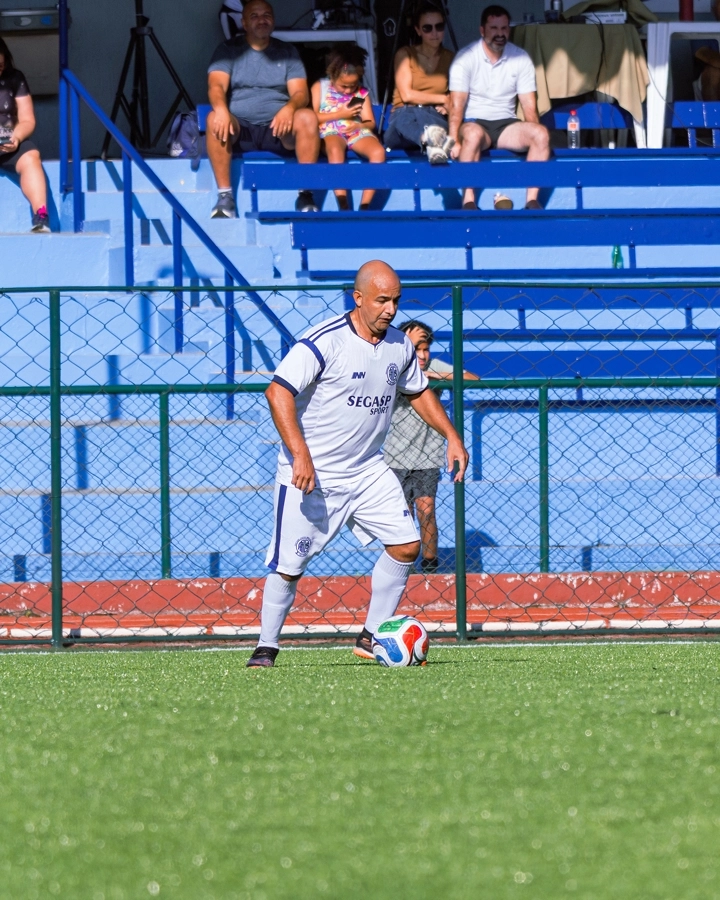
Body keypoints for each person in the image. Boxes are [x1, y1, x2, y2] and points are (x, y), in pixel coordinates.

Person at [247, 260, 469, 667]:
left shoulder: (400, 345)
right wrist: (300, 454)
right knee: (289, 567)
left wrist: (452, 436)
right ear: (359, 298)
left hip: (368, 469)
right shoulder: (323, 341)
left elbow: (418, 392)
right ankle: (267, 646)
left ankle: (371, 636)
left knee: (407, 545)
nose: (390, 309)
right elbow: (277, 392)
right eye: (382, 300)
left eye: (396, 301)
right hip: (313, 474)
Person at [206, 0, 320, 218]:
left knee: (306, 117)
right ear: (244, 23)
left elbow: (300, 93)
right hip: (241, 128)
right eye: (255, 16)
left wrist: (289, 108)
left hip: (278, 128)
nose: (262, 20)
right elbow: (216, 86)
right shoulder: (228, 50)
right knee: (214, 118)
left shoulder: (287, 51)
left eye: (266, 15)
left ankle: (305, 194)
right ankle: (225, 197)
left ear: (273, 20)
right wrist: (220, 110)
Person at [384, 320, 478, 573]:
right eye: (416, 349)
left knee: (426, 511)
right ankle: (402, 565)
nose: (423, 355)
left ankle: (429, 564)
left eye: (426, 349)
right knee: (402, 517)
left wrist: (435, 376)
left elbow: (472, 378)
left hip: (427, 457)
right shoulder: (393, 367)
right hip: (395, 457)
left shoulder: (433, 367)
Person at [447, 4, 550, 210]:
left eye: (504, 29)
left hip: (507, 125)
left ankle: (531, 200)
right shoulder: (465, 58)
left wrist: (534, 139)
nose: (500, 34)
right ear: (482, 30)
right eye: (494, 29)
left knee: (541, 134)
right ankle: (468, 201)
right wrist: (453, 140)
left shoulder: (520, 58)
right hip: (475, 122)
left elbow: (530, 108)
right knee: (473, 134)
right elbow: (456, 105)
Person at [311, 45, 385, 211]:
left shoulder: (361, 93)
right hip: (330, 130)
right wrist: (340, 114)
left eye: (353, 85)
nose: (349, 90)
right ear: (332, 76)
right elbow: (313, 117)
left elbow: (370, 122)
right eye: (343, 86)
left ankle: (365, 206)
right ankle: (343, 204)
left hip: (355, 131)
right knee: (335, 150)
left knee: (378, 152)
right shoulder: (320, 88)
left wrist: (358, 125)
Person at [384, 3, 456, 164]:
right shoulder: (405, 54)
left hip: (433, 116)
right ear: (418, 30)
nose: (435, 33)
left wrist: (448, 104)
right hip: (401, 122)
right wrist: (443, 98)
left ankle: (430, 141)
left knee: (417, 114)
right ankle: (429, 140)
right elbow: (407, 95)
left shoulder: (450, 58)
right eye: (427, 28)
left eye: (439, 27)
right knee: (405, 115)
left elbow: (458, 93)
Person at [0, 38, 49, 233]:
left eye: (1, 66)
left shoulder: (15, 78)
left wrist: (16, 137)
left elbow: (28, 120)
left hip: (8, 142)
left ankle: (41, 218)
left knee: (31, 156)